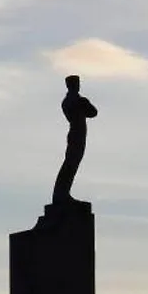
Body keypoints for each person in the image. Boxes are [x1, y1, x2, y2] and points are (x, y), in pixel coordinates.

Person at [51, 74, 98, 205]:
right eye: (75, 84)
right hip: (75, 133)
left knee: (72, 163)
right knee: (70, 163)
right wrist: (83, 103)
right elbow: (92, 112)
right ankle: (61, 194)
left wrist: (84, 103)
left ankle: (63, 193)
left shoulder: (76, 100)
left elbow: (93, 113)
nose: (77, 86)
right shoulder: (72, 101)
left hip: (79, 133)